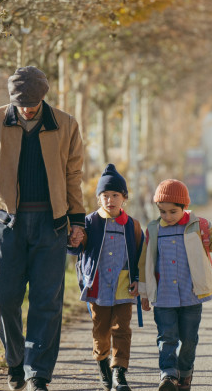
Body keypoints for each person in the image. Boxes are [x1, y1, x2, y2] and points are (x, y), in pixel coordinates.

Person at [0, 66, 86, 391]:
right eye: (21, 102)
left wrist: (77, 221)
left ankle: (37, 374)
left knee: (47, 301)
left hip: (53, 224)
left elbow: (74, 175)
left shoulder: (65, 124)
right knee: (3, 299)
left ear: (43, 96)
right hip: (8, 224)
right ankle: (16, 360)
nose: (28, 108)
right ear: (12, 98)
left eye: (33, 103)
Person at [138, 179, 212, 391]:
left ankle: (185, 374)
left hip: (191, 296)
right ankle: (168, 375)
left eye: (172, 212)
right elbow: (144, 263)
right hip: (164, 297)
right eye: (162, 211)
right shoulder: (154, 229)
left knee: (188, 340)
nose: (167, 217)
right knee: (166, 337)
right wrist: (143, 292)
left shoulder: (198, 226)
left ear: (184, 207)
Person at [68, 164, 143, 391]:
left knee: (122, 329)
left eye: (115, 195)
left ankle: (119, 373)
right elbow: (76, 247)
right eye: (105, 195)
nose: (110, 200)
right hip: (98, 285)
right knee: (101, 332)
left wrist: (138, 278)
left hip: (123, 285)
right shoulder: (90, 222)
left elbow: (139, 254)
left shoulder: (132, 225)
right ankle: (103, 367)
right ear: (98, 198)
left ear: (124, 198)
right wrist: (74, 240)